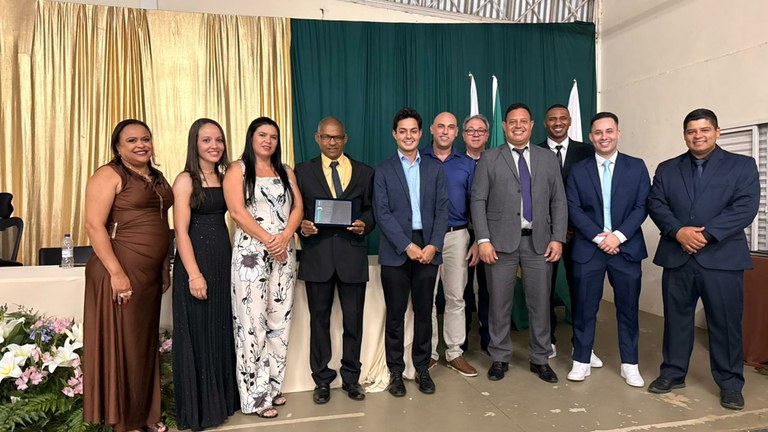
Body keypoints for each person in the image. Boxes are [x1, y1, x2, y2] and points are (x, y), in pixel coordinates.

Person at [647, 108, 760, 410]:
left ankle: (730, 384)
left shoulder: (742, 165)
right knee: (676, 320)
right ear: (685, 135)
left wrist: (705, 235)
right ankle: (673, 373)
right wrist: (678, 231)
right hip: (678, 256)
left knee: (725, 324)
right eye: (691, 131)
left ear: (717, 132)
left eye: (704, 130)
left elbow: (745, 207)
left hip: (722, 259)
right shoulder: (668, 168)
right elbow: (656, 203)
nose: (698, 136)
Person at [83, 119, 174, 432]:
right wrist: (117, 273)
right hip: (119, 270)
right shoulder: (108, 174)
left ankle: (146, 414)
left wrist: (164, 266)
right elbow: (94, 226)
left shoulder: (157, 176)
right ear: (118, 147)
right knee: (125, 347)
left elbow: (161, 223)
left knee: (143, 345)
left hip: (149, 274)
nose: (141, 145)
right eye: (132, 140)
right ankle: (126, 421)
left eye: (145, 139)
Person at [470, 103, 567, 383]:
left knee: (540, 303)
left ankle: (540, 358)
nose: (518, 126)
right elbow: (478, 200)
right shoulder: (489, 158)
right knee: (499, 304)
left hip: (539, 242)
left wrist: (558, 238)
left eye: (523, 121)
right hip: (499, 244)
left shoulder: (547, 158)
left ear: (532, 125)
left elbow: (559, 201)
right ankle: (500, 357)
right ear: (504, 126)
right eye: (512, 121)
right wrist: (483, 239)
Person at [223, 117, 303, 419]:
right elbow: (236, 211)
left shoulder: (286, 170)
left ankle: (272, 386)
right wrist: (270, 240)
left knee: (279, 322)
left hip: (284, 252)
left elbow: (298, 207)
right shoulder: (237, 169)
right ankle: (255, 398)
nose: (268, 140)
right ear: (251, 137)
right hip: (252, 254)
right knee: (251, 323)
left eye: (273, 136)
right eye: (262, 134)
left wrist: (285, 237)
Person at [564, 112, 650, 387]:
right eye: (598, 132)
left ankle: (630, 364)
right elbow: (573, 208)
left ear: (618, 133)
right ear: (591, 137)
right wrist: (598, 238)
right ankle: (581, 360)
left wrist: (618, 237)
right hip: (589, 249)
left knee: (628, 309)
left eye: (609, 131)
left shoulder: (636, 167)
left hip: (626, 249)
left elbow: (642, 206)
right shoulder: (578, 170)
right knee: (584, 308)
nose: (604, 137)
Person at [295, 117, 375, 404]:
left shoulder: (364, 172)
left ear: (345, 139)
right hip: (317, 258)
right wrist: (301, 226)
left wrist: (365, 224)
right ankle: (322, 380)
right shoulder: (301, 172)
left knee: (353, 322)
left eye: (337, 137)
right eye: (327, 137)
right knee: (319, 323)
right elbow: (295, 211)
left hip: (352, 257)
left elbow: (371, 210)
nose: (332, 142)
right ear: (317, 138)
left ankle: (352, 378)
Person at [373, 107, 448, 397]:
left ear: (420, 133)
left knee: (424, 312)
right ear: (395, 134)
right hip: (397, 249)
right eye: (402, 131)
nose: (408, 136)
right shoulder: (383, 170)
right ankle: (395, 371)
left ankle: (422, 368)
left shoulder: (434, 168)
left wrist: (433, 245)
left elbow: (442, 209)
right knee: (395, 314)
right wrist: (407, 245)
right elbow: (382, 213)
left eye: (413, 131)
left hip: (428, 248)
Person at [171, 118, 238, 430]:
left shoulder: (225, 177)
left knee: (220, 330)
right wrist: (194, 274)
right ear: (194, 144)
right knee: (198, 333)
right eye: (207, 140)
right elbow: (180, 232)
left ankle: (221, 401)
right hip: (196, 260)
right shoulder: (185, 180)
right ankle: (200, 409)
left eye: (219, 140)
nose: (214, 145)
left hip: (222, 259)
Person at [535, 104, 597, 363]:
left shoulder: (588, 151)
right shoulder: (534, 151)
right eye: (552, 119)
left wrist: (570, 227)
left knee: (581, 290)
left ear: (570, 121)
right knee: (543, 290)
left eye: (562, 118)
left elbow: (592, 193)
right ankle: (547, 341)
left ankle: (582, 345)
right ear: (545, 123)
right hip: (543, 234)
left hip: (580, 234)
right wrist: (556, 231)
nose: (558, 122)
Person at [422, 112, 478, 377]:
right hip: (426, 237)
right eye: (441, 126)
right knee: (427, 297)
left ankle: (454, 352)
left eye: (451, 127)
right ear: (432, 130)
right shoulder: (419, 158)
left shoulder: (467, 164)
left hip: (457, 235)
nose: (445, 131)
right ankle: (430, 352)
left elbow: (476, 203)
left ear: (457, 133)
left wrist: (477, 239)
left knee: (456, 296)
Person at [461, 114, 490, 354]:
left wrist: (482, 238)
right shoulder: (455, 163)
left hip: (490, 235)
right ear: (463, 135)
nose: (476, 134)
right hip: (461, 233)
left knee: (489, 288)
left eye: (480, 130)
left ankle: (488, 337)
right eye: (471, 130)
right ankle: (461, 339)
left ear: (487, 135)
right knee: (462, 288)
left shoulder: (497, 161)